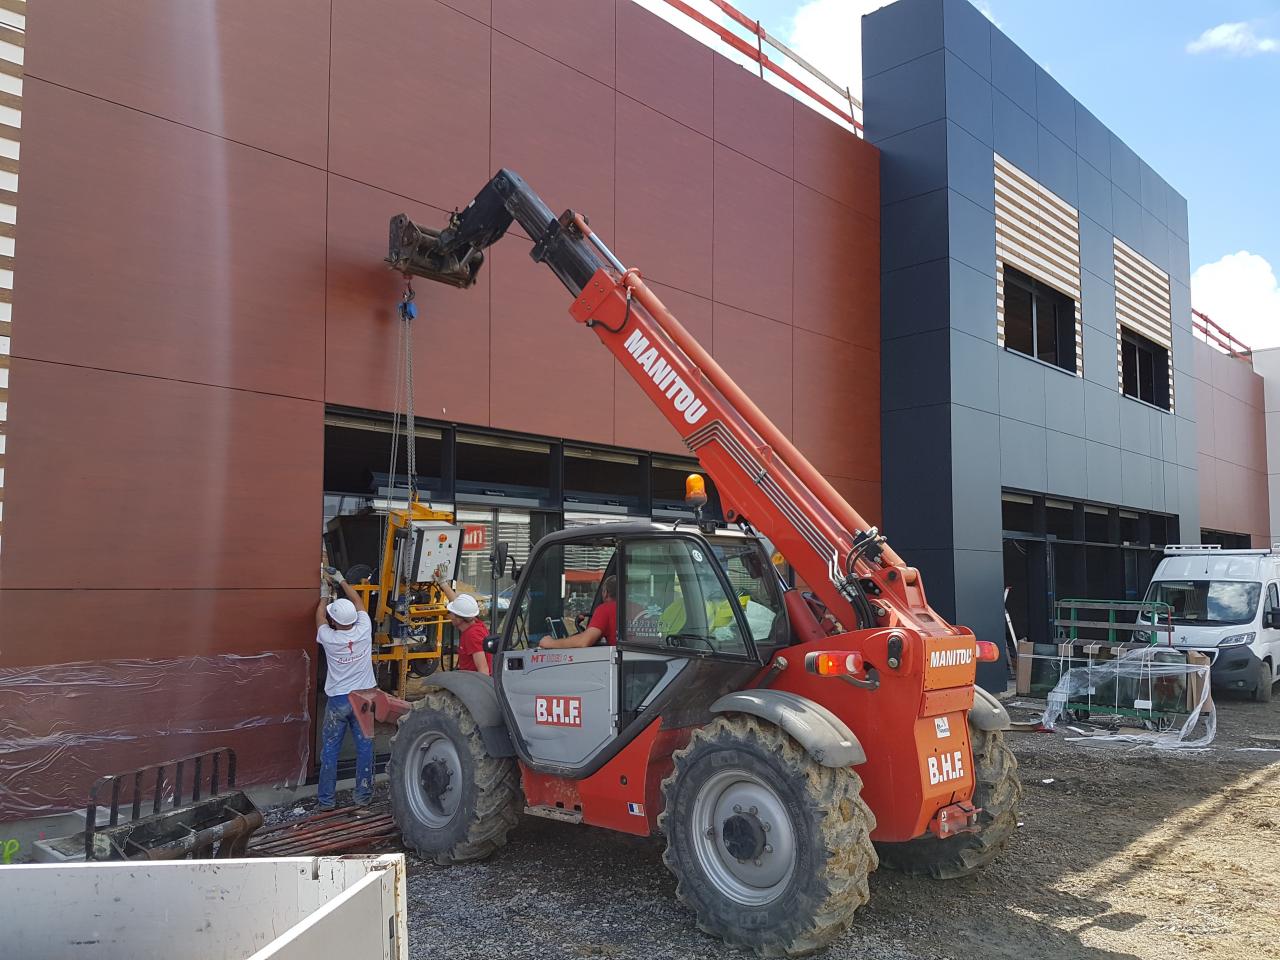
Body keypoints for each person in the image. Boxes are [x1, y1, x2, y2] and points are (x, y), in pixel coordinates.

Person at [315, 566, 375, 810]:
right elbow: (358, 601)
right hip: (364, 697)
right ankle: (362, 797)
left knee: (330, 749)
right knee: (365, 748)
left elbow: (318, 616)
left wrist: (323, 594)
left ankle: (326, 801)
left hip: (339, 700)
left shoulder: (329, 637)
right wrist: (341, 581)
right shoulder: (365, 628)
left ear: (334, 621)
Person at [539, 575, 617, 649]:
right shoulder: (628, 608)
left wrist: (550, 643)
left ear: (605, 593)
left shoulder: (605, 609)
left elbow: (584, 641)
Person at [437, 579, 492, 674]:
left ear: (460, 619)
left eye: (451, 613)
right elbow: (458, 605)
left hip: (473, 682)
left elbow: (483, 670)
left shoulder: (472, 636)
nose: (449, 616)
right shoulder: (474, 623)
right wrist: (443, 584)